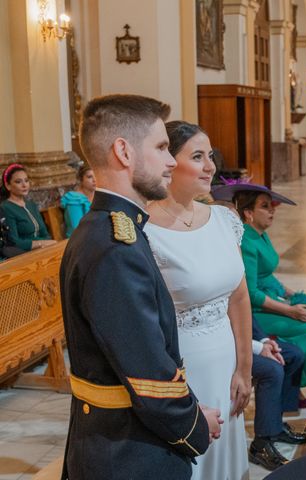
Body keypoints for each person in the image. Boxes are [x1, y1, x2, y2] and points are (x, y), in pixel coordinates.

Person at [60, 95, 221, 480]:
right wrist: (195, 427)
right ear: (124, 152)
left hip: (115, 439)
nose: (170, 161)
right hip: (128, 452)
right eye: (162, 147)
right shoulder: (116, 246)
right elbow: (148, 373)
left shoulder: (110, 229)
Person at [146, 121, 252, 480]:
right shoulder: (144, 231)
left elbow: (238, 297)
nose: (211, 166)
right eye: (197, 156)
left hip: (226, 361)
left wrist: (244, 368)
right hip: (183, 366)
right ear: (168, 163)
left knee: (228, 456)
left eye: (210, 156)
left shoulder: (224, 219)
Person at [214, 183, 306, 387]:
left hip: (270, 298)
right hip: (254, 312)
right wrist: (289, 310)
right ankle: (298, 382)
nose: (272, 210)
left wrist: (291, 294)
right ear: (248, 213)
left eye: (271, 205)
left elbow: (266, 275)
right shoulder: (246, 240)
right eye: (264, 206)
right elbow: (250, 293)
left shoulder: (261, 233)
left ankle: (301, 384)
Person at [249, 315, 306, 471]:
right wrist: (258, 348)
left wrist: (264, 341)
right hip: (232, 346)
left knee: (295, 355)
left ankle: (275, 425)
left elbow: (245, 313)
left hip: (249, 341)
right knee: (272, 370)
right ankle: (260, 445)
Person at [0, 163, 56, 252]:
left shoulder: (31, 205)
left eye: (26, 180)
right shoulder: (6, 208)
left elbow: (45, 234)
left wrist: (47, 243)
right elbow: (14, 242)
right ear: (8, 186)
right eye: (18, 182)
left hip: (42, 250)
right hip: (22, 254)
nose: (24, 185)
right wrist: (41, 243)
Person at [60, 163, 96, 237]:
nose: (94, 180)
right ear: (81, 179)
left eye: (96, 176)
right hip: (78, 239)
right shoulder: (74, 199)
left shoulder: (98, 194)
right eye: (89, 177)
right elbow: (76, 228)